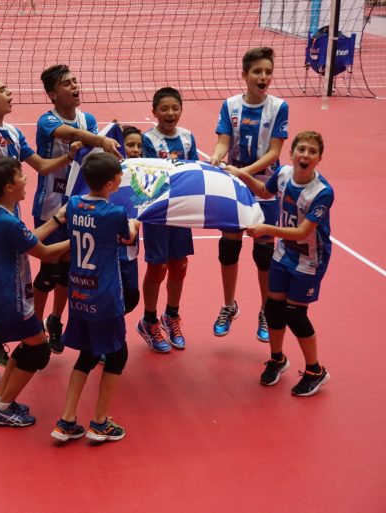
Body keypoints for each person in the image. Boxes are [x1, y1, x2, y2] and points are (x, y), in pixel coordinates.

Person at [0, 54, 74, 379]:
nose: (10, 93)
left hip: (11, 216)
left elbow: (39, 165)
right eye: (2, 89)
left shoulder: (12, 132)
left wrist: (71, 154)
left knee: (3, 276)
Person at [228, 131, 332, 397]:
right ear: (292, 153)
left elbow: (301, 233)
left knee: (295, 314)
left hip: (309, 259)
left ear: (319, 158)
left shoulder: (321, 192)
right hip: (284, 253)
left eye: (312, 151)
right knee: (273, 308)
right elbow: (264, 191)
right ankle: (277, 359)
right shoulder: (284, 174)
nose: (305, 155)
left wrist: (266, 228)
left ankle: (315, 370)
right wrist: (243, 175)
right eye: (301, 149)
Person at [34, 64, 122, 354]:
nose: (75, 86)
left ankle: (56, 321)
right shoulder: (46, 121)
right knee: (48, 273)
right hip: (50, 207)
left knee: (69, 270)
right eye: (67, 83)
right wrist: (100, 138)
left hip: (79, 207)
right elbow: (75, 135)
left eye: (75, 81)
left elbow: (93, 157)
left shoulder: (89, 118)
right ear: (52, 94)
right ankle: (34, 329)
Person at [51, 153, 138, 443]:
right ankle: (100, 422)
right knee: (118, 354)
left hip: (78, 291)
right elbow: (127, 237)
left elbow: (70, 219)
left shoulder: (74, 204)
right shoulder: (114, 213)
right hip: (104, 295)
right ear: (114, 183)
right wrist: (136, 225)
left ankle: (67, 419)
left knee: (87, 354)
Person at [0, 157, 70, 427]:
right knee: (39, 351)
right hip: (11, 298)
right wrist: (77, 239)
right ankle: (3, 407)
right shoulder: (10, 223)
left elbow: (27, 236)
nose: (26, 179)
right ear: (8, 187)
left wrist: (56, 219)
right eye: (21, 176)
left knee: (30, 346)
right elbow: (43, 251)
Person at [209, 47, 289, 343]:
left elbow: (274, 153)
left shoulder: (279, 107)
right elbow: (222, 142)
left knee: (264, 253)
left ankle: (266, 311)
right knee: (229, 248)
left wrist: (245, 172)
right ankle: (229, 306)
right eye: (257, 71)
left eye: (268, 71)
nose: (263, 77)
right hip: (234, 184)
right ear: (245, 76)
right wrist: (217, 157)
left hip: (266, 187)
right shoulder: (230, 105)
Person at [136, 87, 198, 353]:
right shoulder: (148, 139)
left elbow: (193, 170)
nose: (170, 113)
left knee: (180, 265)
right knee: (157, 267)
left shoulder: (187, 138)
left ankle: (171, 316)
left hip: (181, 210)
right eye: (164, 109)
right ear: (154, 112)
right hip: (158, 211)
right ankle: (149, 320)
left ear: (181, 110)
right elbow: (150, 175)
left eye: (175, 108)